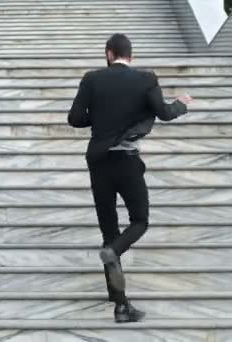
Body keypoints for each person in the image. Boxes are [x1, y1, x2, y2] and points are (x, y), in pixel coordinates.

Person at [68, 33, 194, 323]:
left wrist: (99, 118)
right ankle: (114, 257)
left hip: (99, 163)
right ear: (130, 56)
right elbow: (164, 113)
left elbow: (74, 118)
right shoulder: (146, 79)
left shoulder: (91, 79)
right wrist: (181, 103)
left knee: (109, 231)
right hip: (126, 163)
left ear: (109, 54)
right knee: (140, 220)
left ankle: (121, 304)